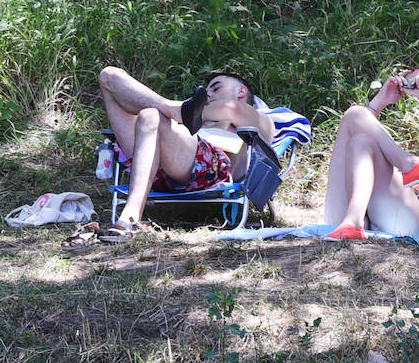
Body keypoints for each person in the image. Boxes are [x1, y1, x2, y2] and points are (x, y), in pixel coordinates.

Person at [79, 66, 276, 243]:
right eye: (206, 91)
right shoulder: (194, 117)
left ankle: (130, 215)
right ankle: (173, 110)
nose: (208, 94)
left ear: (241, 91)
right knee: (108, 75)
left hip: (208, 169)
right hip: (149, 160)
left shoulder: (258, 118)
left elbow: (230, 108)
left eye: (215, 88)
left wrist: (185, 112)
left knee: (150, 114)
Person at [322, 68, 419, 241]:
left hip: (405, 224)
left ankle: (407, 163)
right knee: (358, 133)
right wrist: (381, 100)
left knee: (360, 137)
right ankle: (353, 222)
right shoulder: (395, 175)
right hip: (343, 217)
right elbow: (356, 126)